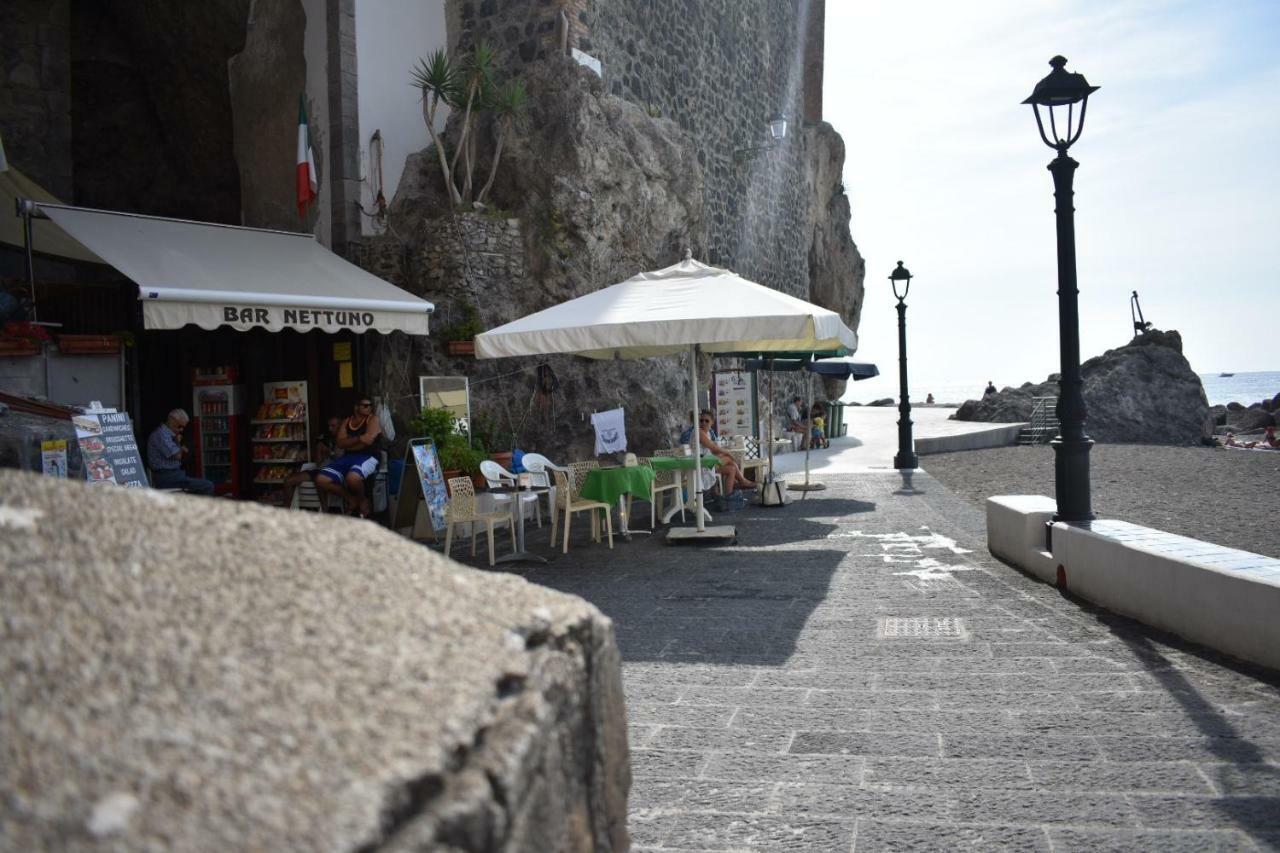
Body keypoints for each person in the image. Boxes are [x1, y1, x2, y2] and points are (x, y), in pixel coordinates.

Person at [314, 397, 382, 517]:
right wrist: (359, 439)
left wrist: (350, 444)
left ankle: (362, 500)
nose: (369, 408)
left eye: (370, 405)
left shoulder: (373, 419)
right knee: (320, 479)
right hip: (348, 457)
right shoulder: (347, 422)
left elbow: (368, 441)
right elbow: (340, 443)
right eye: (365, 405)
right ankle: (351, 499)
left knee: (352, 478)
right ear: (356, 407)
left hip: (369, 456)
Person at [681, 409, 756, 495]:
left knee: (732, 469)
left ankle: (729, 496)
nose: (704, 423)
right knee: (729, 458)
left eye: (707, 421)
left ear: (712, 422)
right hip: (700, 465)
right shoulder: (699, 432)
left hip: (705, 462)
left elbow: (713, 450)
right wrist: (727, 452)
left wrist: (724, 452)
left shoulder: (707, 433)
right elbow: (713, 448)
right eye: (701, 420)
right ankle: (742, 481)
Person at [146, 408, 214, 494]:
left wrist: (178, 443)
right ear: (171, 420)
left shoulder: (170, 435)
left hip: (175, 474)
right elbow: (177, 455)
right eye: (179, 426)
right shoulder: (161, 435)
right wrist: (182, 448)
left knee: (199, 484)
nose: (181, 430)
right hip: (166, 477)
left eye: (183, 427)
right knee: (207, 486)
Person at [280, 415, 341, 509]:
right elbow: (318, 462)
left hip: (333, 472)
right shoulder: (326, 438)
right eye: (329, 426)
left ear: (340, 425)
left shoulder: (345, 440)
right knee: (288, 481)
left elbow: (342, 460)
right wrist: (319, 450)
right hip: (319, 469)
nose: (330, 429)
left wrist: (330, 453)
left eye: (333, 426)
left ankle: (325, 510)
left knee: (320, 479)